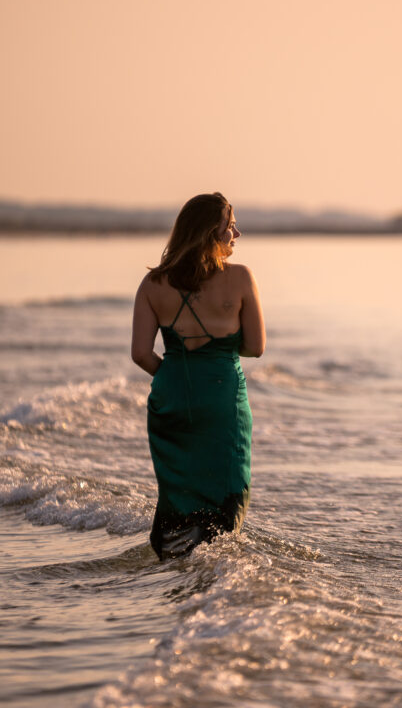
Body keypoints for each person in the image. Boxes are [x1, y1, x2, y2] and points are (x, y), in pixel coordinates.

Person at [131, 193, 265, 559]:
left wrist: (174, 374)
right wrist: (215, 357)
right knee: (227, 487)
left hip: (170, 398)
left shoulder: (152, 285)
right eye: (230, 226)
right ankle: (210, 567)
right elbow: (256, 346)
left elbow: (141, 354)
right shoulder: (239, 278)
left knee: (178, 489)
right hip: (222, 399)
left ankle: (171, 555)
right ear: (211, 233)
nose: (237, 232)